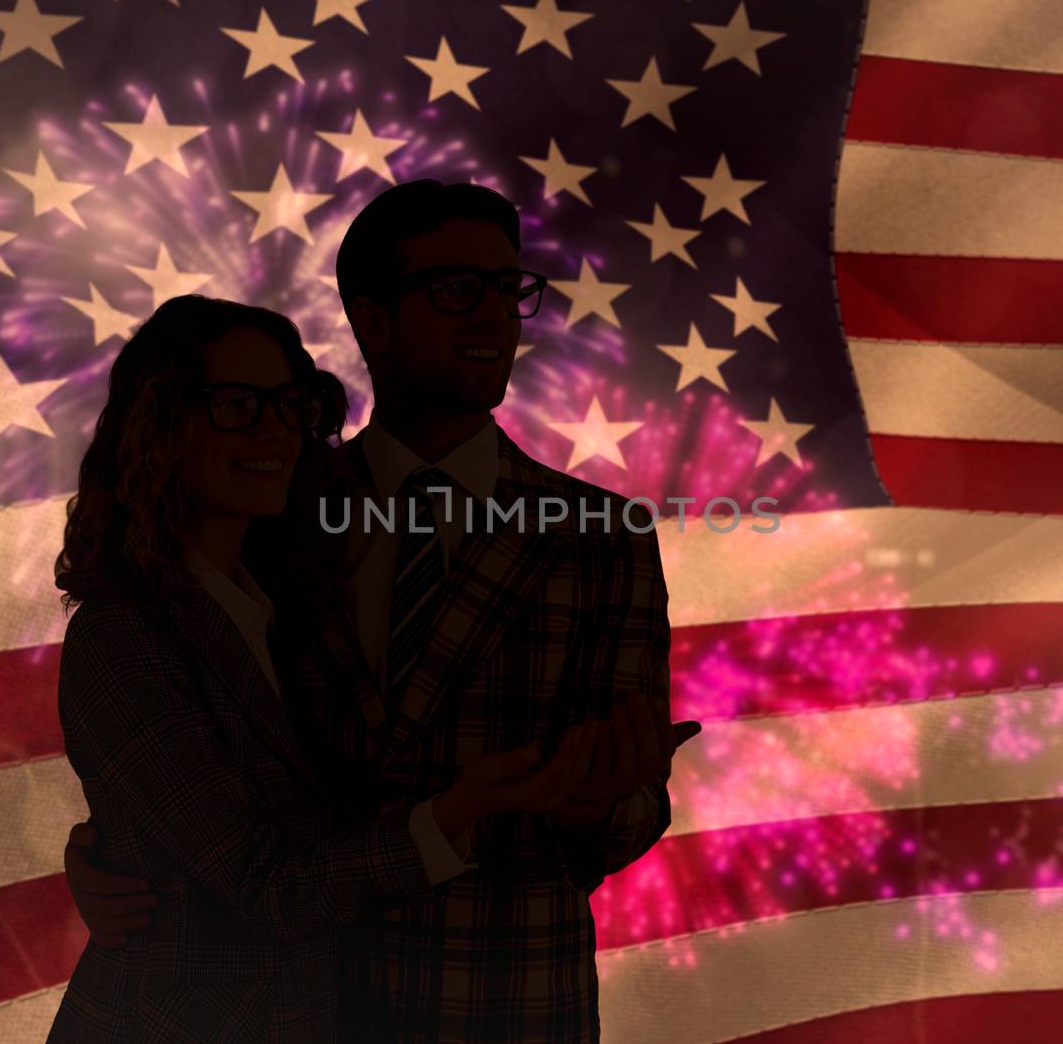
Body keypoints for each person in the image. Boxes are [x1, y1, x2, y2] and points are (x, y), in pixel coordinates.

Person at [63, 182, 703, 1041]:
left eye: (509, 289)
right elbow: (196, 737)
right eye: (455, 289)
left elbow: (632, 812)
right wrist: (114, 844)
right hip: (295, 1004)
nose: (494, 315)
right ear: (372, 319)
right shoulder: (272, 512)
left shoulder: (601, 537)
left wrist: (594, 805)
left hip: (501, 1008)